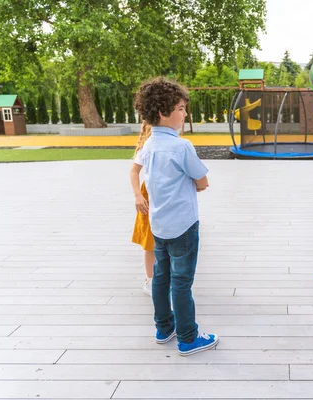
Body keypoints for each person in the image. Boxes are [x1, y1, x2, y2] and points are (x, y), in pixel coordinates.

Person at [132, 76, 218, 356]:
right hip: (183, 226)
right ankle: (189, 337)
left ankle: (163, 327)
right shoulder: (182, 146)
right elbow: (202, 181)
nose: (184, 113)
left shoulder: (148, 145)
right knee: (181, 283)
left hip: (159, 225)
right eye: (180, 108)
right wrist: (194, 184)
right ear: (163, 112)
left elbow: (142, 173)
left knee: (160, 277)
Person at [130, 121, 155, 296]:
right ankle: (150, 279)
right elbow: (134, 171)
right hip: (149, 194)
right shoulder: (147, 146)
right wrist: (138, 195)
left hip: (166, 194)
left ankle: (164, 277)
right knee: (149, 241)